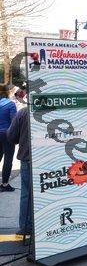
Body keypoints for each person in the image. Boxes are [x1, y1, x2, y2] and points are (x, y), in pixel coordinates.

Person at [7, 96, 31, 234]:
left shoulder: (23, 112)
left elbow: (11, 136)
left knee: (27, 193)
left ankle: (26, 226)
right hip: (51, 160)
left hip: (28, 158)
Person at [0, 85, 17, 192]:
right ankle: (5, 184)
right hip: (7, 135)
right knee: (8, 159)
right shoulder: (11, 105)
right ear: (9, 92)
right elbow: (14, 122)